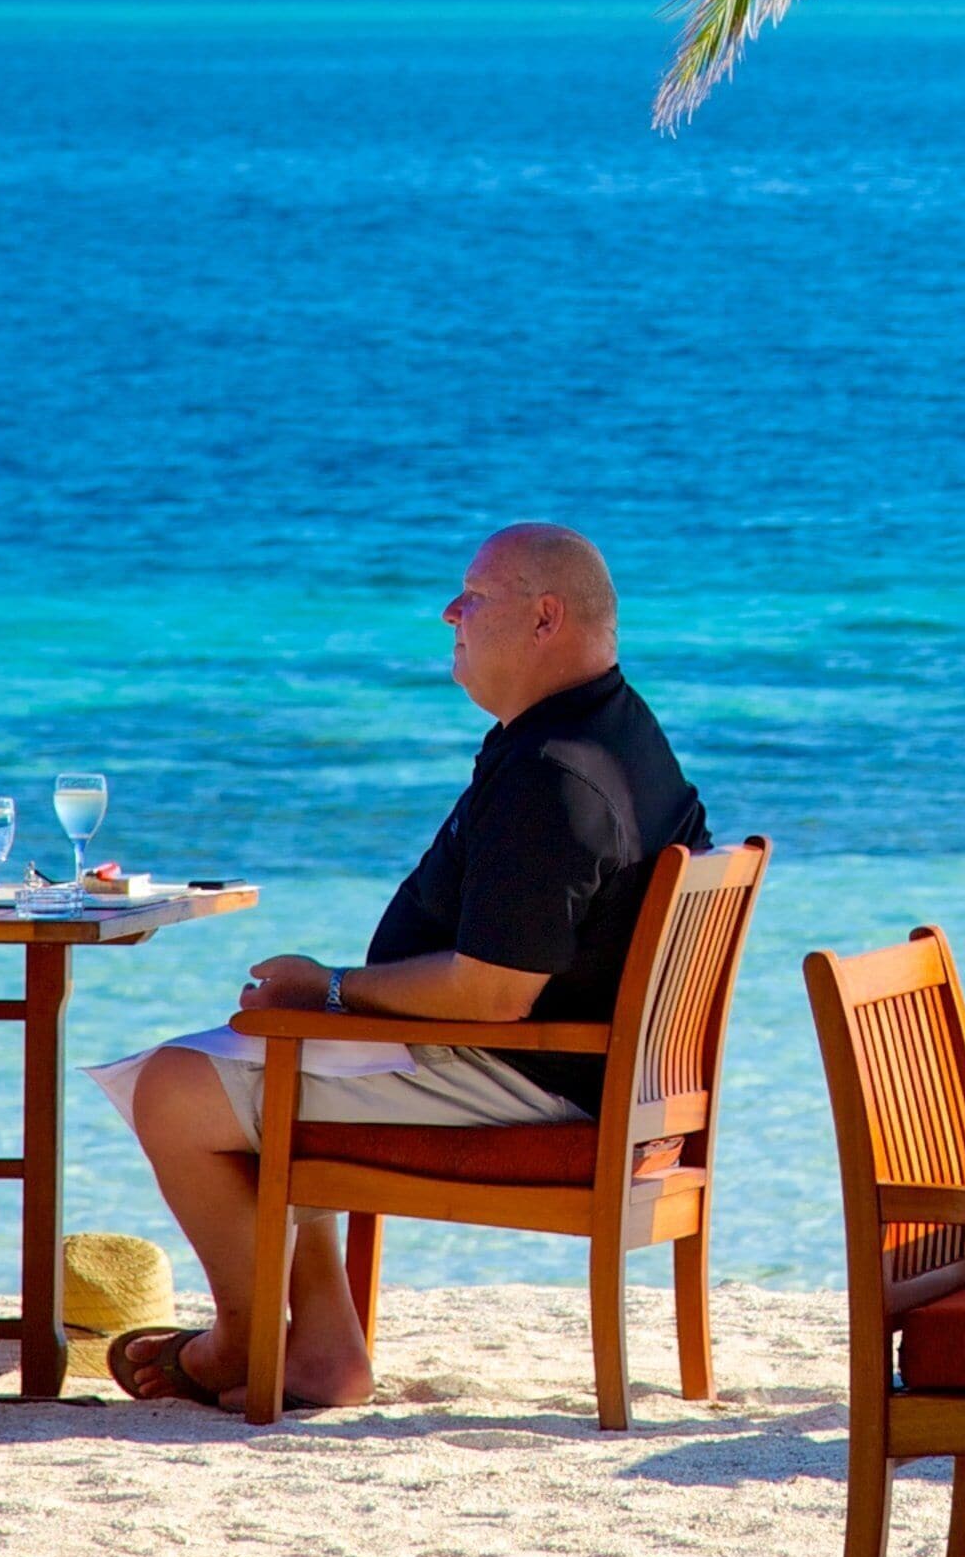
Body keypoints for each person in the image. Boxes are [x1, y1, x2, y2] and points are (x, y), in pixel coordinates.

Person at [93, 523, 706, 1410]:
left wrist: (332, 989)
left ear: (544, 619)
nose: (450, 611)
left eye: (475, 596)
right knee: (241, 1068)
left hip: (529, 1078)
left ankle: (243, 1342)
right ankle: (324, 1350)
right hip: (581, 1072)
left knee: (179, 1089)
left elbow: (493, 993)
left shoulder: (559, 775)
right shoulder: (613, 730)